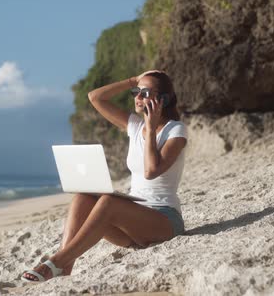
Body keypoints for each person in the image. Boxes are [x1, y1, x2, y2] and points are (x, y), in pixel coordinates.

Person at [21, 70, 188, 282]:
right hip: (132, 227)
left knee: (109, 201)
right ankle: (65, 267)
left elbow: (151, 171)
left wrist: (152, 127)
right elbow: (95, 97)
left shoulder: (176, 130)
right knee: (83, 197)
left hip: (164, 221)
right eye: (137, 92)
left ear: (162, 99)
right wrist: (132, 80)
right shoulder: (135, 127)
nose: (137, 97)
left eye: (145, 93)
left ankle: (55, 262)